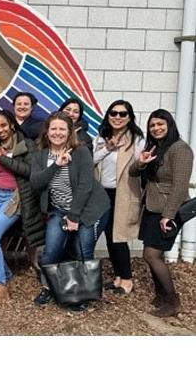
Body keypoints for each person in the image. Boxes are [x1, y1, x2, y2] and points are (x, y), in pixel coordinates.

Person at [31, 112, 110, 310]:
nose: (57, 133)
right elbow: (36, 182)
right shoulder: (40, 155)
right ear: (47, 132)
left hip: (90, 209)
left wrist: (74, 217)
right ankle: (48, 288)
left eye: (62, 129)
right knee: (51, 251)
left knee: (82, 250)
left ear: (69, 133)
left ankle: (80, 295)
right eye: (53, 129)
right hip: (59, 210)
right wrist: (56, 165)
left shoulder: (80, 152)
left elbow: (85, 186)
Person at [0, 110, 44, 302]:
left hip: (15, 198)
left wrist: (4, 159)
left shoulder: (26, 144)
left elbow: (31, 172)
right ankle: (5, 274)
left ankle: (1, 286)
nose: (0, 130)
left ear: (12, 124)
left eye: (3, 125)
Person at [129, 109, 193, 317]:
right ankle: (162, 296)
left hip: (166, 209)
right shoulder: (155, 148)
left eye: (160, 124)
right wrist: (142, 162)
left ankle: (172, 301)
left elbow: (180, 187)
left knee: (151, 254)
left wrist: (169, 215)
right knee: (151, 254)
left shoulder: (180, 149)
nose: (156, 128)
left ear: (170, 125)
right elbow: (133, 173)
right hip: (151, 206)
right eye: (152, 125)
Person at [94, 100, 144, 295]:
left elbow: (138, 166)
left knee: (119, 236)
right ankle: (118, 277)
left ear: (129, 117)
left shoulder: (136, 139)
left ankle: (127, 279)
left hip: (122, 193)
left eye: (123, 114)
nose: (117, 117)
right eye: (113, 113)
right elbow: (92, 161)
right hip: (102, 192)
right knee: (109, 235)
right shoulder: (100, 137)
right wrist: (107, 148)